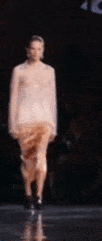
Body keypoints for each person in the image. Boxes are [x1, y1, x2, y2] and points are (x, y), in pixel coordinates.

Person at [8, 36, 57, 209]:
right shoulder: (19, 70)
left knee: (41, 156)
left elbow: (52, 98)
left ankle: (39, 195)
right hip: (25, 120)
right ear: (27, 50)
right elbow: (13, 98)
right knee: (27, 159)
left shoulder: (49, 71)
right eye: (33, 48)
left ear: (42, 51)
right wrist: (12, 124)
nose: (36, 52)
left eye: (39, 49)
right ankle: (28, 194)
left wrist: (54, 126)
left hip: (44, 120)